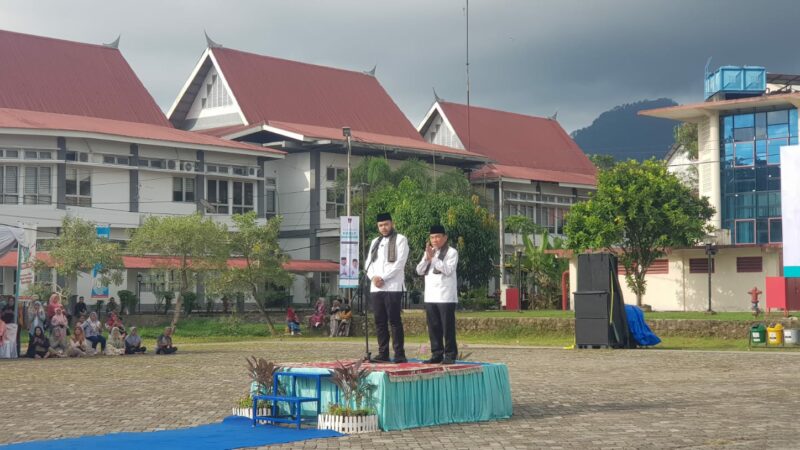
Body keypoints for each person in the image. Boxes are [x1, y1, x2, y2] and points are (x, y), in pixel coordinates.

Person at [364, 212, 409, 363]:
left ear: (392, 223)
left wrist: (383, 278)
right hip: (376, 288)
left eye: (386, 224)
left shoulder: (401, 239)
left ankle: (399, 354)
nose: (384, 228)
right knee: (379, 321)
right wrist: (373, 278)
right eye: (381, 225)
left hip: (393, 286)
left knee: (394, 321)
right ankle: (383, 353)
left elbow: (399, 263)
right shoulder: (375, 241)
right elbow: (368, 264)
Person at [415, 224, 459, 365]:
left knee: (447, 327)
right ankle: (436, 354)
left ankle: (450, 355)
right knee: (433, 327)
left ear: (445, 237)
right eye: (432, 237)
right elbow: (419, 271)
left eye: (438, 237)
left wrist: (433, 259)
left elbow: (448, 270)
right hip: (431, 295)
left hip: (446, 295)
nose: (435, 240)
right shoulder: (429, 252)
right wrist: (427, 258)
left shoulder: (452, 252)